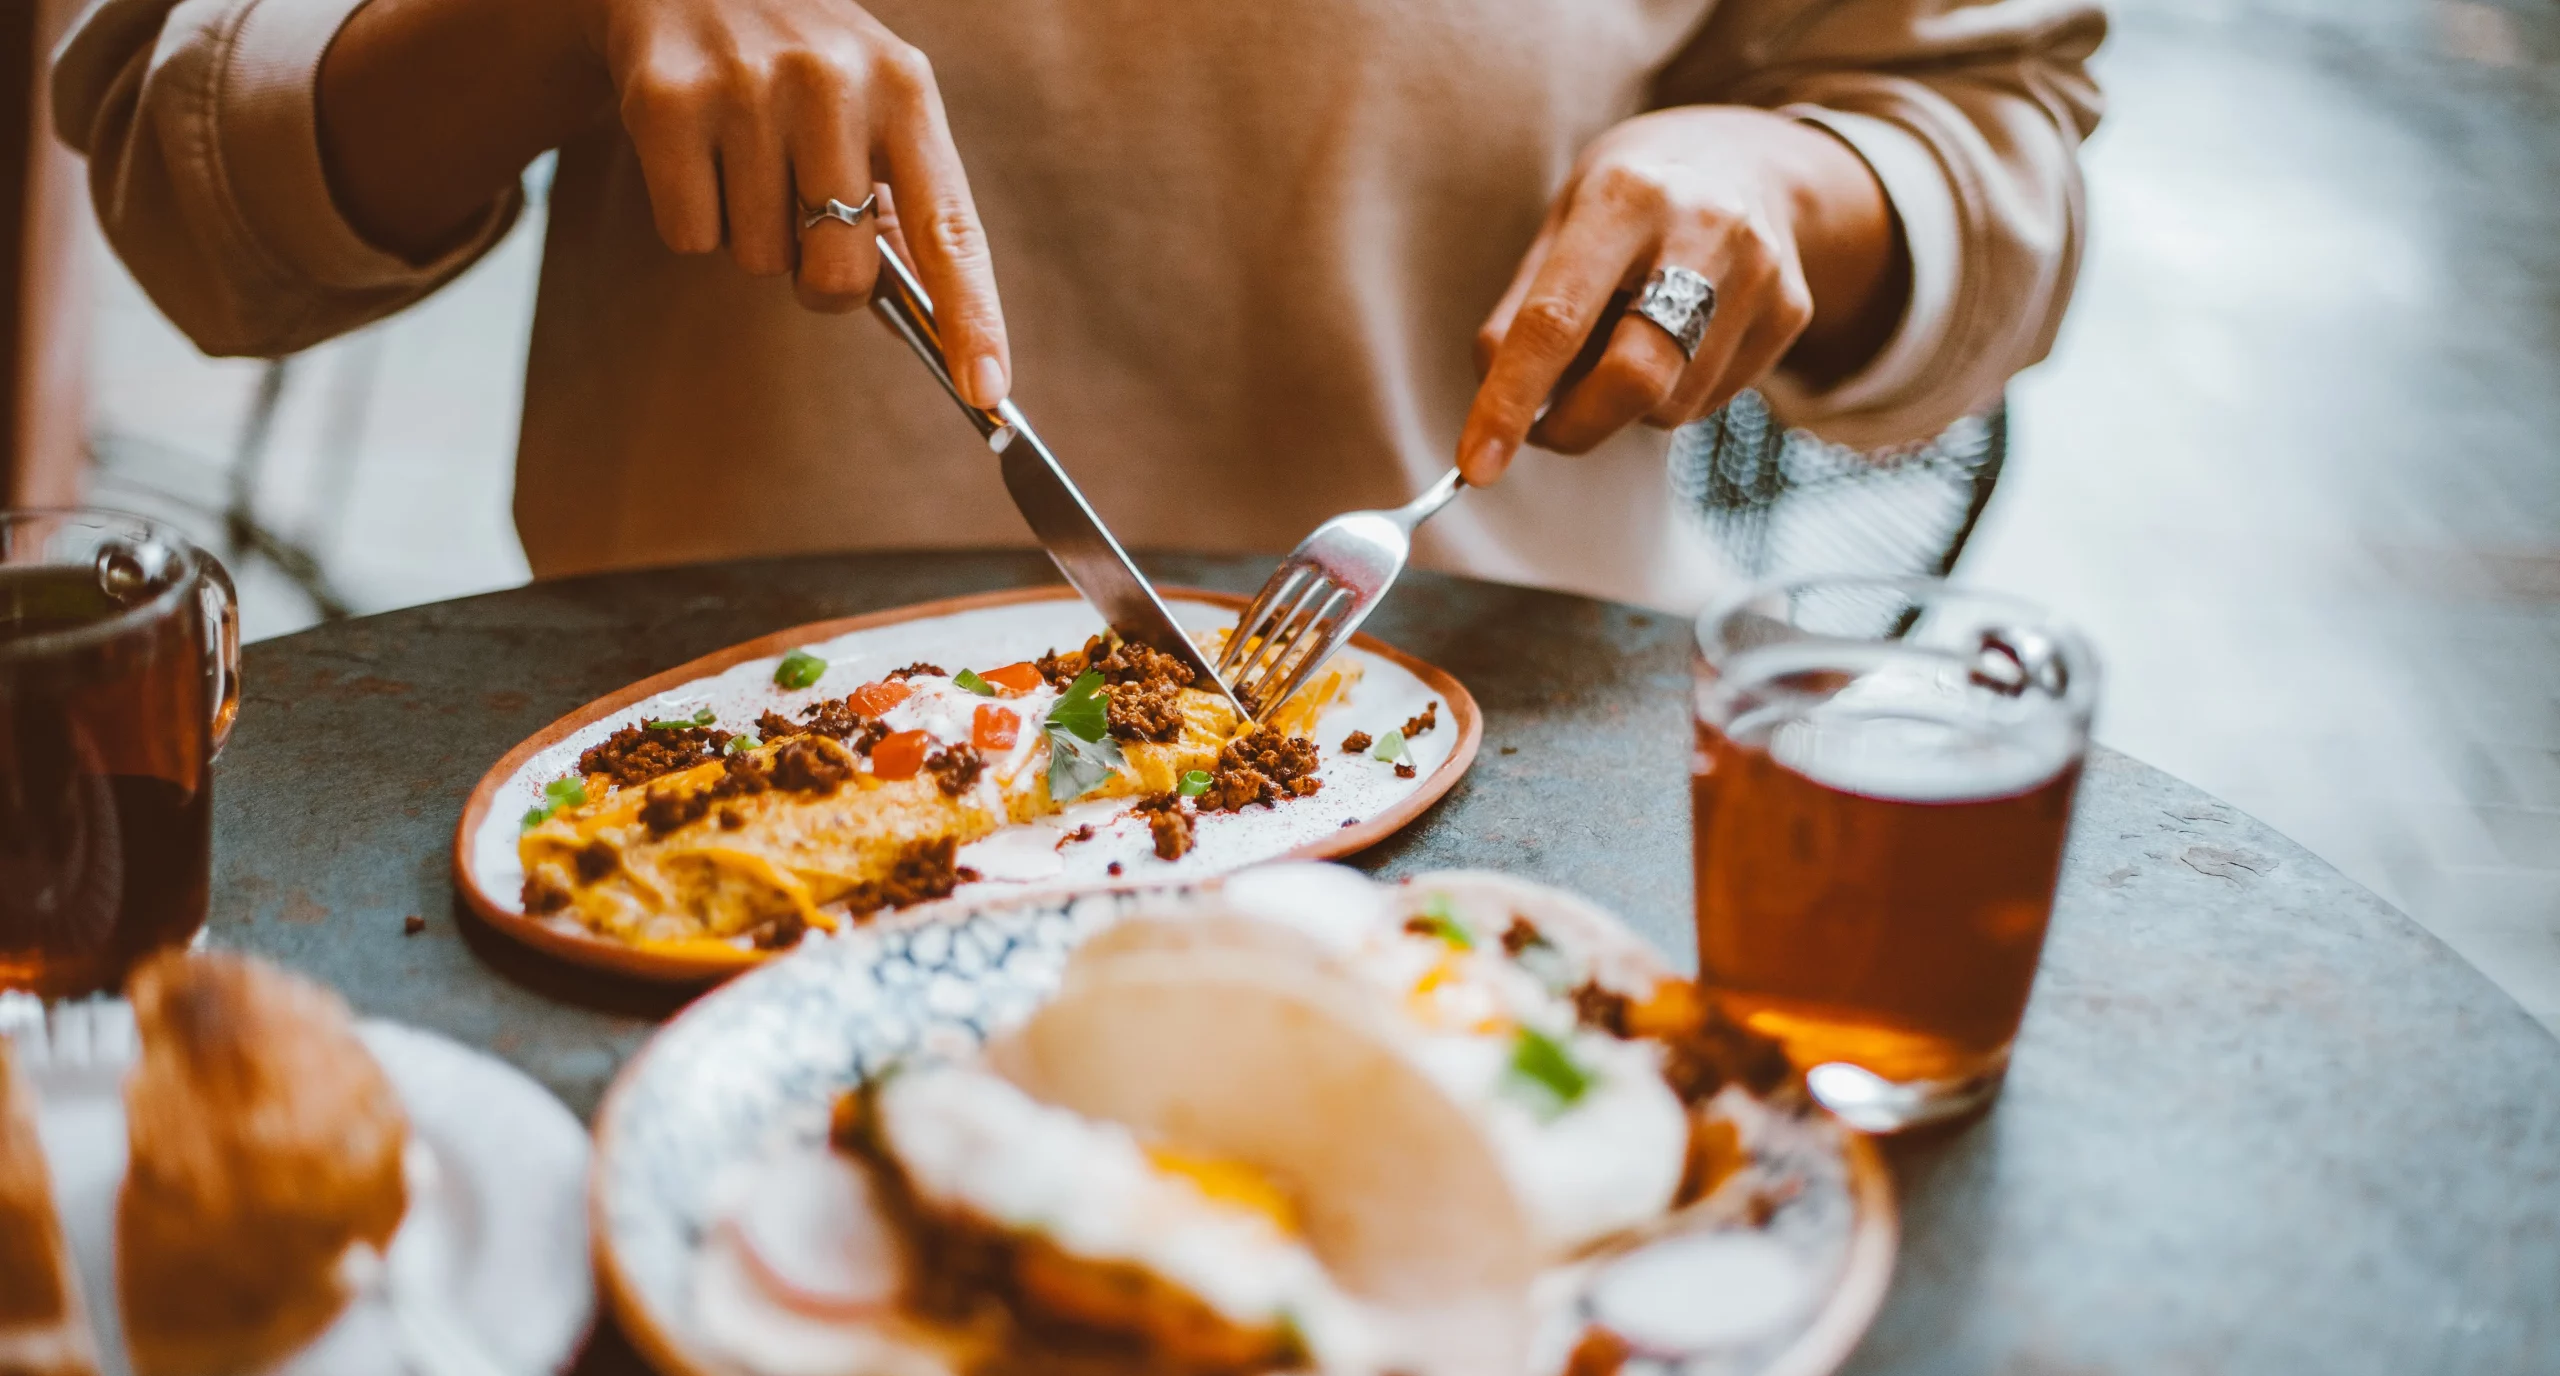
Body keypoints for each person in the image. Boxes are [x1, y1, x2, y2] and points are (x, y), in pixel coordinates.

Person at [53, 0, 2102, 610]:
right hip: (698, 853)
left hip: (1497, 848)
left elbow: (1980, 127)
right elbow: (176, 164)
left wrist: (1791, 181)